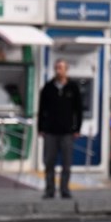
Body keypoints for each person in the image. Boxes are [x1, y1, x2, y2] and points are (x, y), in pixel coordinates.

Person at [37, 59, 83, 199]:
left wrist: (77, 128)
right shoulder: (48, 87)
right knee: (49, 161)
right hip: (51, 130)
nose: (59, 70)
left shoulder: (73, 88)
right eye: (56, 68)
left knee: (66, 163)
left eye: (61, 68)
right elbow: (42, 109)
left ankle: (65, 189)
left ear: (66, 69)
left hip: (67, 131)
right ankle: (49, 189)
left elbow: (78, 109)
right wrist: (41, 127)